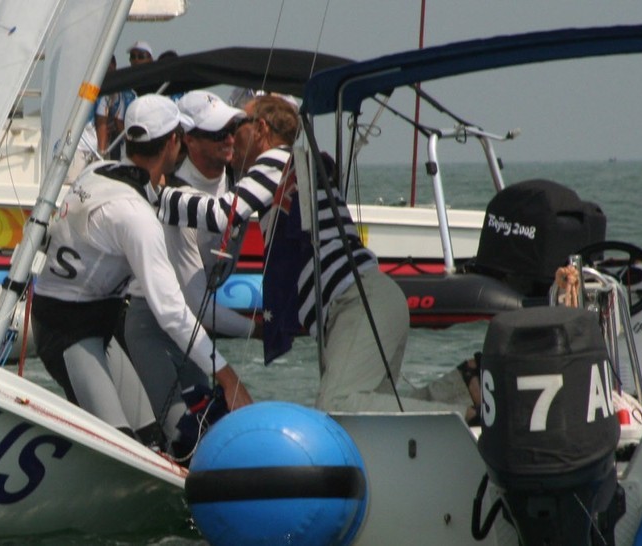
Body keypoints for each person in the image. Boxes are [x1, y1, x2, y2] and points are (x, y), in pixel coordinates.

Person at [151, 94, 477, 414]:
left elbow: (222, 214)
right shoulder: (296, 165)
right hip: (365, 299)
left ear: (261, 128)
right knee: (373, 421)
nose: (232, 137)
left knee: (338, 406)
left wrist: (155, 193)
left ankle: (460, 409)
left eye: (239, 126)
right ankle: (463, 389)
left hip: (355, 300)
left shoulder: (278, 160)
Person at [31, 94, 254, 447]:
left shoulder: (96, 171)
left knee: (150, 438)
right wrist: (227, 377)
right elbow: (172, 311)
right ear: (173, 142)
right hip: (68, 332)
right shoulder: (136, 216)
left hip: (94, 323)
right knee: (119, 445)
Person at [123, 90, 257, 452]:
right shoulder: (175, 199)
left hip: (193, 328)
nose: (229, 138)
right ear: (188, 140)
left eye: (231, 128)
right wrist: (256, 328)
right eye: (217, 133)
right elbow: (192, 298)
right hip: (153, 322)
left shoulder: (239, 182)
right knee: (184, 436)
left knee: (217, 425)